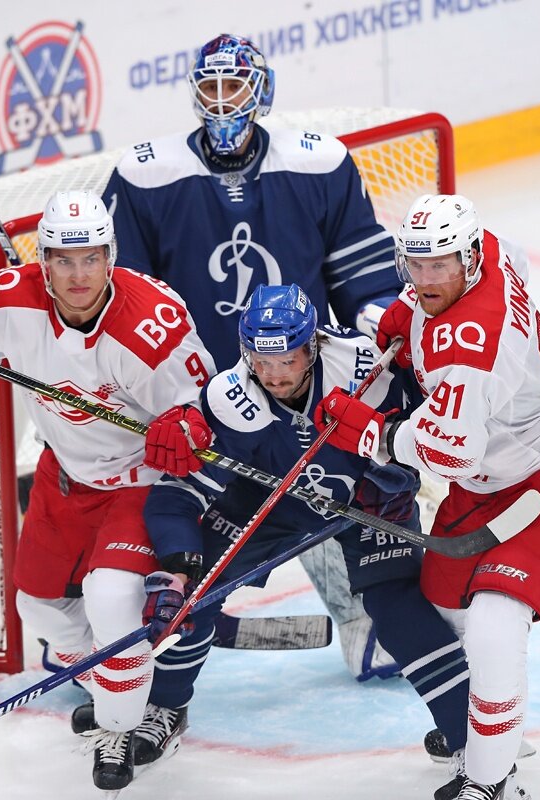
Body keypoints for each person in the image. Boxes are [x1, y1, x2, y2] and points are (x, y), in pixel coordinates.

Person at [101, 32, 408, 681]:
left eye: (233, 86)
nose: (221, 101)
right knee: (173, 504)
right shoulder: (147, 175)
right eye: (209, 87)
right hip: (194, 396)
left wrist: (383, 330)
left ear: (261, 91)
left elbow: (362, 273)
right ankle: (105, 617)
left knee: (330, 485)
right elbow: (119, 295)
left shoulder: (318, 165)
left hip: (297, 384)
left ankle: (364, 614)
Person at [0, 190, 215, 792]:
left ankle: (119, 728)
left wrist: (188, 427)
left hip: (140, 482)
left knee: (109, 599)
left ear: (111, 257)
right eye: (64, 260)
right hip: (64, 476)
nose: (79, 275)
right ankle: (113, 680)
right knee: (37, 607)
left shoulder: (152, 325)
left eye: (92, 258)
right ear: (43, 261)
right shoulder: (5, 301)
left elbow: (202, 416)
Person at [315, 194, 540, 800]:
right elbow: (502, 268)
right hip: (486, 484)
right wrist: (405, 316)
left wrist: (372, 433)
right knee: (442, 601)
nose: (426, 280)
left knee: (497, 622)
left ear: (467, 259)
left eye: (439, 266)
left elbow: (451, 455)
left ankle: (491, 777)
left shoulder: (469, 352)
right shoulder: (491, 250)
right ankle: (490, 731)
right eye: (415, 266)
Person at [138, 283, 471, 780]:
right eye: (261, 361)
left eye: (286, 360)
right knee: (195, 596)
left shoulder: (365, 368)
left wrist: (394, 474)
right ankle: (163, 709)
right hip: (270, 507)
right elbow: (175, 496)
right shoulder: (228, 398)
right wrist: (177, 568)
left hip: (366, 503)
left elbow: (423, 438)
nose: (272, 375)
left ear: (311, 345)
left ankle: (470, 734)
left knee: (396, 606)